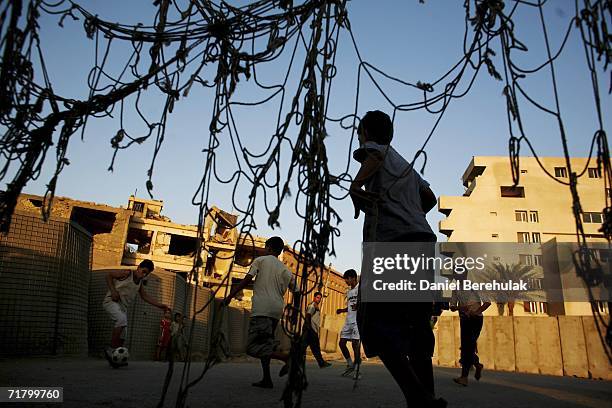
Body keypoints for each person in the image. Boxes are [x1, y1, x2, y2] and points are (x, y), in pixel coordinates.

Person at [349, 110, 446, 407]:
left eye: (359, 131)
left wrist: (355, 186)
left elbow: (373, 158)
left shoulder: (377, 150)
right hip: (422, 239)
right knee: (417, 328)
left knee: (373, 326)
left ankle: (418, 398)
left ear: (365, 132)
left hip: (394, 244)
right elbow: (429, 197)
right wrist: (411, 214)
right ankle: (426, 397)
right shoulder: (407, 166)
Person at [223, 236, 298, 389]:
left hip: (262, 310)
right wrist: (294, 313)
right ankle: (267, 379)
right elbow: (297, 292)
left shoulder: (261, 261)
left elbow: (246, 280)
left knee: (251, 347)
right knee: (266, 345)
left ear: (269, 248)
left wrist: (230, 296)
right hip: (276, 311)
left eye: (265, 247)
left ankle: (286, 358)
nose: (264, 249)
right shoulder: (286, 270)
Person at [102, 259, 169, 366]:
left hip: (122, 308)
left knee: (124, 333)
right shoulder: (127, 273)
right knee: (121, 320)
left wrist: (160, 305)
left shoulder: (140, 283)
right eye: (143, 271)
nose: (144, 275)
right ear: (138, 268)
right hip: (111, 301)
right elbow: (109, 275)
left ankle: (116, 359)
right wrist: (113, 291)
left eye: (146, 274)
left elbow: (145, 296)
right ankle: (111, 350)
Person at [450, 271, 491, 386]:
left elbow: (487, 302)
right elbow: (452, 306)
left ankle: (465, 376)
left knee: (467, 346)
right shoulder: (456, 288)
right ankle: (476, 365)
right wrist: (460, 308)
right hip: (464, 320)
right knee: (467, 346)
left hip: (475, 320)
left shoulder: (474, 285)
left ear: (465, 274)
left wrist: (476, 312)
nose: (457, 277)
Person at [336, 269, 361, 378]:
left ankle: (357, 370)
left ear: (353, 278)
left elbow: (366, 304)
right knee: (342, 343)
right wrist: (342, 310)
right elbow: (351, 306)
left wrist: (359, 306)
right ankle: (350, 364)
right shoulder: (349, 291)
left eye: (347, 279)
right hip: (348, 321)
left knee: (355, 343)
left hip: (357, 321)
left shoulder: (361, 289)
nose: (346, 281)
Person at [304, 292, 332, 368]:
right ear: (314, 297)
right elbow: (308, 316)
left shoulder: (316, 306)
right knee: (315, 347)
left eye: (320, 298)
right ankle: (321, 363)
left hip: (313, 330)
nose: (319, 299)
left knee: (313, 347)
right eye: (317, 297)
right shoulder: (312, 305)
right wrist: (308, 327)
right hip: (311, 329)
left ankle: (321, 362)